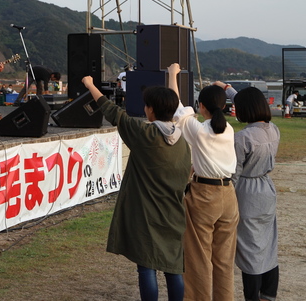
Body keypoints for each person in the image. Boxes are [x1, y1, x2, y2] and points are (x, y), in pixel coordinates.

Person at [81, 75, 190, 301]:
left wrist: (91, 85)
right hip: (173, 212)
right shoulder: (182, 142)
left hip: (147, 213)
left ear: (150, 110)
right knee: (173, 267)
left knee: (147, 266)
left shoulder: (145, 134)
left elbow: (113, 112)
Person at [168, 64, 238, 301]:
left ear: (201, 107)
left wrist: (172, 75)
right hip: (229, 194)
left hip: (204, 194)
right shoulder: (228, 129)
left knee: (198, 258)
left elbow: (175, 104)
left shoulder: (198, 131)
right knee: (224, 260)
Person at [217, 82, 280, 301]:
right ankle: (268, 293)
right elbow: (244, 100)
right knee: (268, 243)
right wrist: (227, 88)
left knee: (248, 248)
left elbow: (233, 173)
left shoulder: (243, 137)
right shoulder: (273, 129)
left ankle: (252, 296)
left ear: (245, 110)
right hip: (266, 188)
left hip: (247, 191)